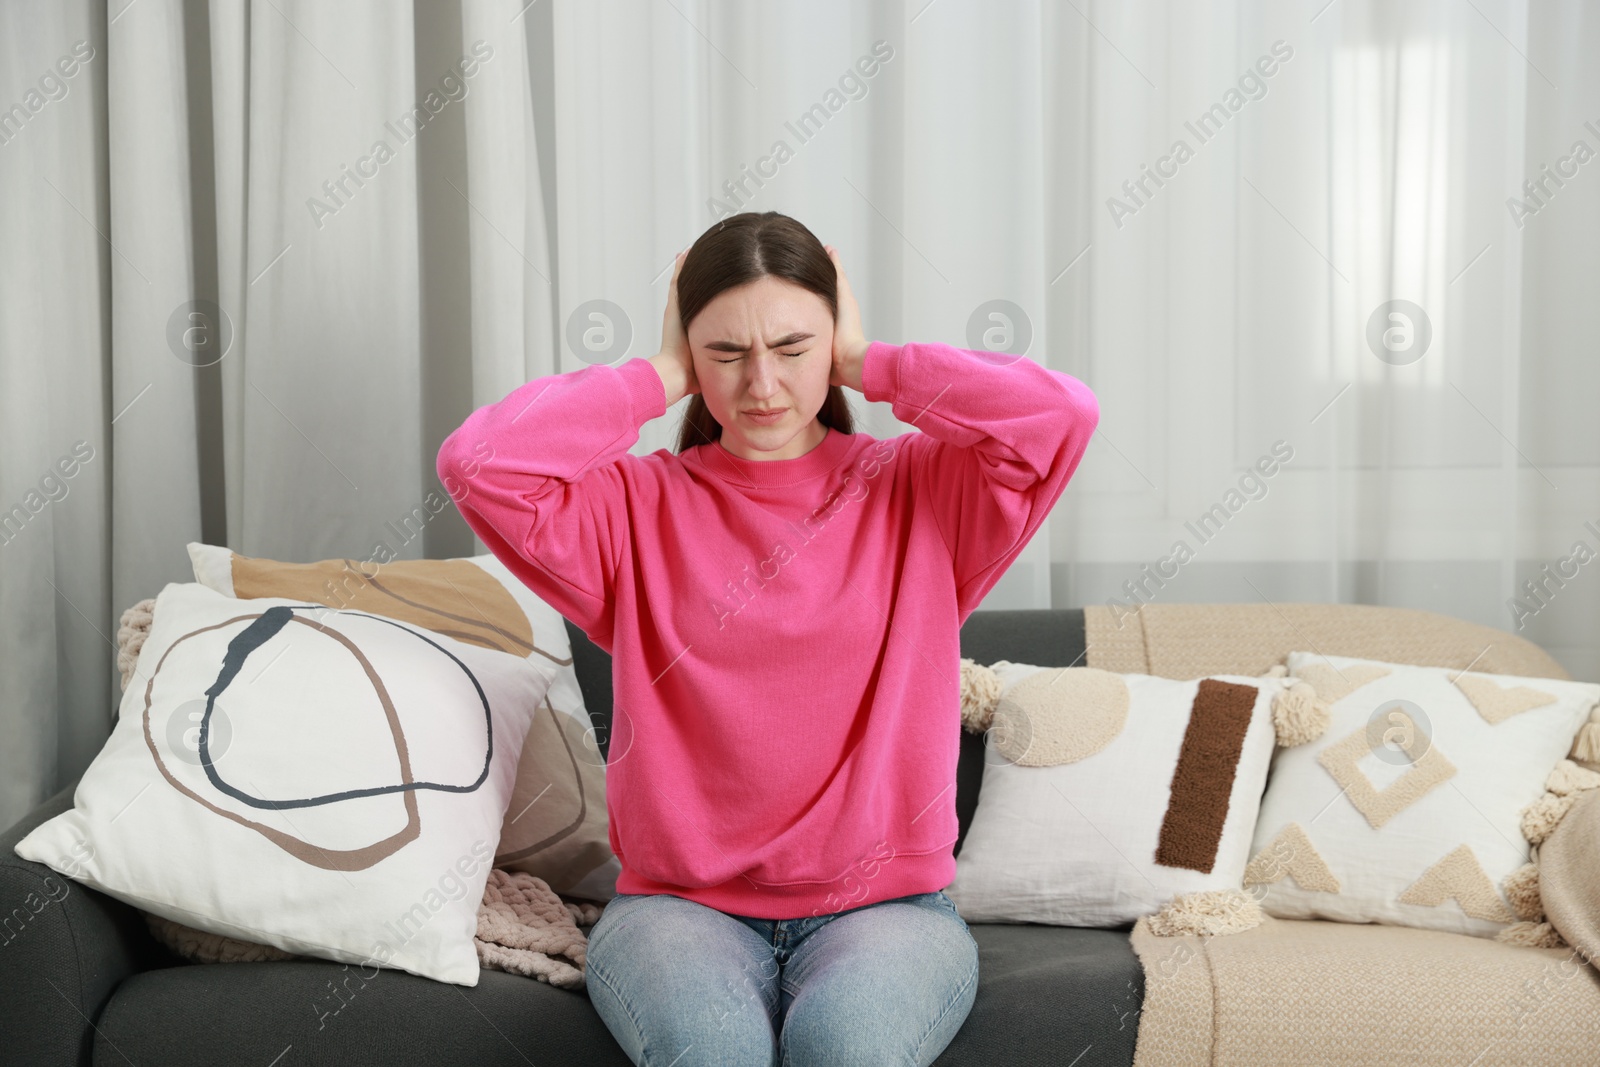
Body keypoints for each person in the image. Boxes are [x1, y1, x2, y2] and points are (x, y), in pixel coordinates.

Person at [436, 211, 1100, 1066]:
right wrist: (659, 374)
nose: (763, 386)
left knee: (846, 1049)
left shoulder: (924, 494)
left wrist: (872, 362)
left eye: (793, 348)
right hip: (679, 911)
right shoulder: (633, 510)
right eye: (724, 354)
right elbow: (480, 462)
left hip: (888, 911)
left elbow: (1061, 414)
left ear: (833, 337)